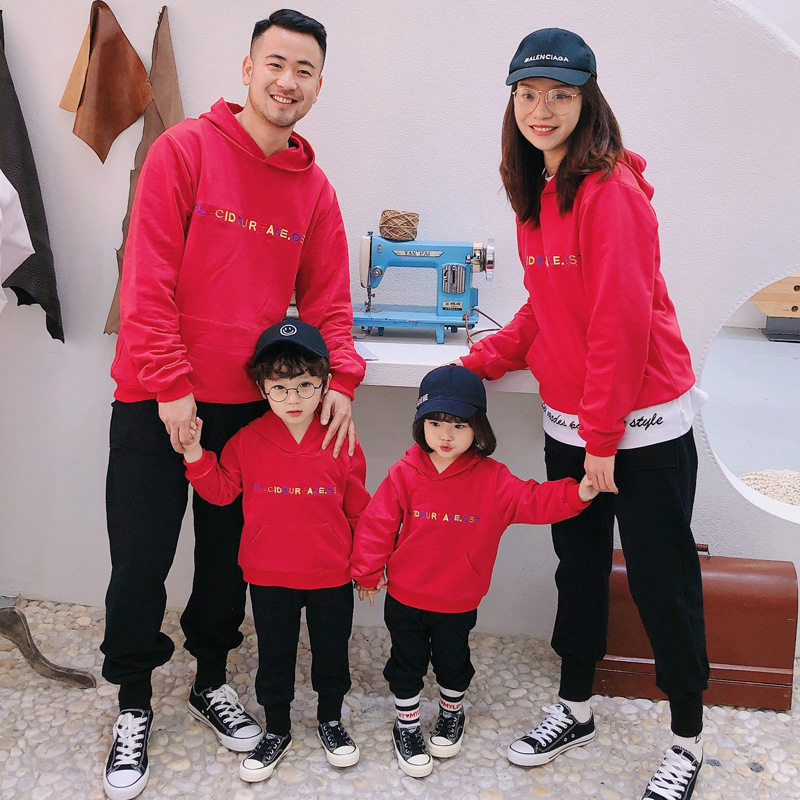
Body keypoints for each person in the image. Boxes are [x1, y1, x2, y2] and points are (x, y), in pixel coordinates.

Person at [100, 11, 366, 800]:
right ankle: (133, 701)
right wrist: (170, 384)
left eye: (305, 70)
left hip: (251, 415)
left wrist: (342, 381)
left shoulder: (315, 191)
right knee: (140, 558)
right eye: (275, 63)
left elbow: (330, 304)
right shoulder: (183, 151)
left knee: (228, 563)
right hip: (157, 398)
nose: (288, 81)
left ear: (319, 85)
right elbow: (146, 278)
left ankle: (211, 679)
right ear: (248, 69)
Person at [457, 28, 709, 800]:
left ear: (587, 100)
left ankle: (687, 741)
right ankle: (575, 707)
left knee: (663, 581)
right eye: (528, 94)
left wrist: (604, 439)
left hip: (643, 428)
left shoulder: (612, 194)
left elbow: (620, 325)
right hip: (573, 426)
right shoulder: (537, 190)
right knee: (579, 571)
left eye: (561, 95)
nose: (542, 109)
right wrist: (482, 361)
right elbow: (546, 305)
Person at [350, 365, 598, 778]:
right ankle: (406, 723)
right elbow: (377, 524)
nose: (445, 435)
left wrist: (579, 493)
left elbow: (534, 500)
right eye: (435, 423)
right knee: (406, 661)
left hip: (458, 598)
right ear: (420, 424)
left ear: (478, 428)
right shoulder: (404, 473)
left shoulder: (492, 480)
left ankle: (452, 713)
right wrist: (367, 571)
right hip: (405, 596)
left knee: (453, 661)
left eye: (459, 425)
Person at [182, 320, 370, 782]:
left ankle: (331, 721)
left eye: (305, 385)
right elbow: (221, 492)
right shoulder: (247, 440)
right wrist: (194, 454)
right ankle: (277, 729)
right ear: (262, 389)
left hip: (331, 574)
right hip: (268, 576)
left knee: (332, 652)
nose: (293, 398)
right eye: (280, 388)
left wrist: (368, 567)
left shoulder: (341, 440)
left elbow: (359, 511)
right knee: (275, 656)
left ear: (325, 383)